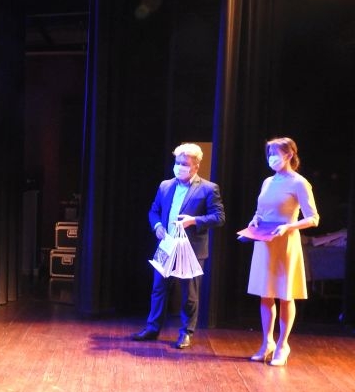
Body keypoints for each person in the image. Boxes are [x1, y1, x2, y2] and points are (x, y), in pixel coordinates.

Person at [132, 143, 225, 349]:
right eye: (177, 162)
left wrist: (194, 220)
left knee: (189, 294)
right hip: (166, 245)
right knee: (158, 288)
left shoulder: (208, 188)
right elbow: (154, 211)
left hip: (191, 249)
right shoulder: (165, 185)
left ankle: (186, 333)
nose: (180, 167)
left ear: (196, 166)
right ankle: (152, 328)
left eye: (185, 164)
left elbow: (219, 217)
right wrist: (157, 226)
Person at [246, 137, 319, 366]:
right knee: (265, 294)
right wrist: (255, 220)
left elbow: (313, 218)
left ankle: (282, 345)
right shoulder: (268, 181)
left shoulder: (299, 183)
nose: (271, 158)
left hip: (286, 243)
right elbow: (260, 211)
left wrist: (289, 226)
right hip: (265, 242)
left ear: (288, 154)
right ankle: (267, 342)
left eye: (275, 154)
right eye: (269, 154)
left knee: (285, 295)